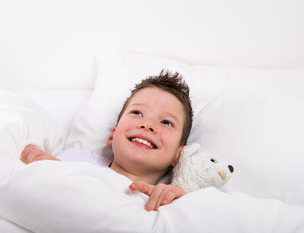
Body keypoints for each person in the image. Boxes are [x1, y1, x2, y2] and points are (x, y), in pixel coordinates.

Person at [21, 70, 194, 212]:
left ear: (178, 156)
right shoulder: (73, 160)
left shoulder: (165, 199)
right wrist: (42, 166)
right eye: (137, 113)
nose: (148, 125)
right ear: (112, 135)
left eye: (166, 122)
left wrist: (176, 200)